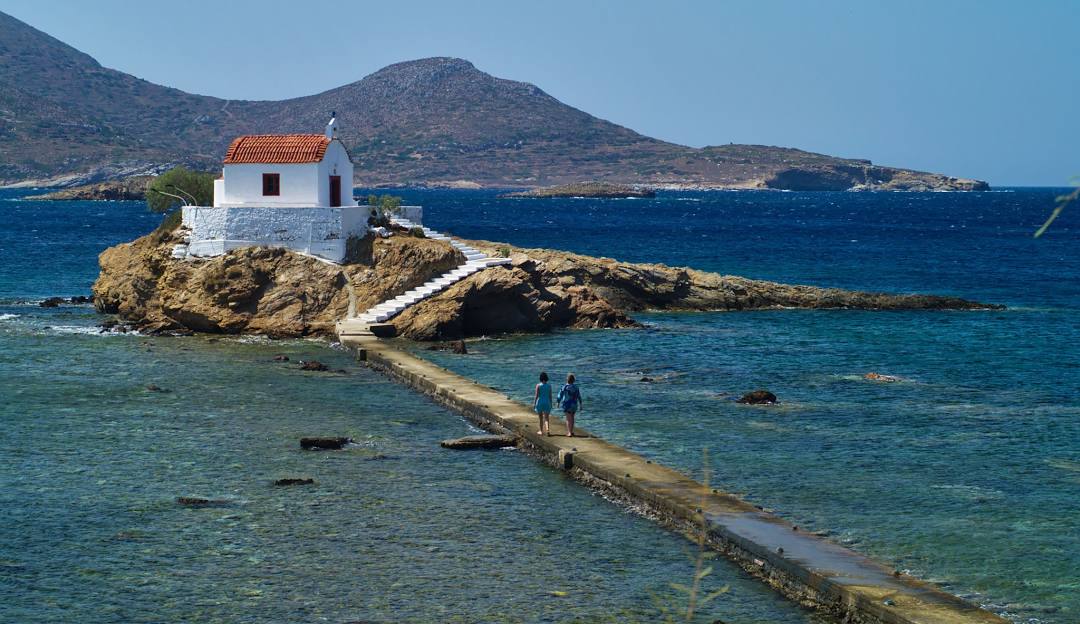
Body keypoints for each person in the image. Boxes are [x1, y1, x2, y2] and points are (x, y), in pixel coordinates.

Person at [533, 371, 553, 436]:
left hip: (540, 402)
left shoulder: (538, 385)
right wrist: (551, 403)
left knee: (541, 418)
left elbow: (536, 395)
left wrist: (534, 403)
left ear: (540, 378)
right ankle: (547, 430)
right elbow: (550, 396)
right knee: (547, 418)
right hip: (547, 402)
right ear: (546, 378)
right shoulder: (549, 386)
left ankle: (541, 431)